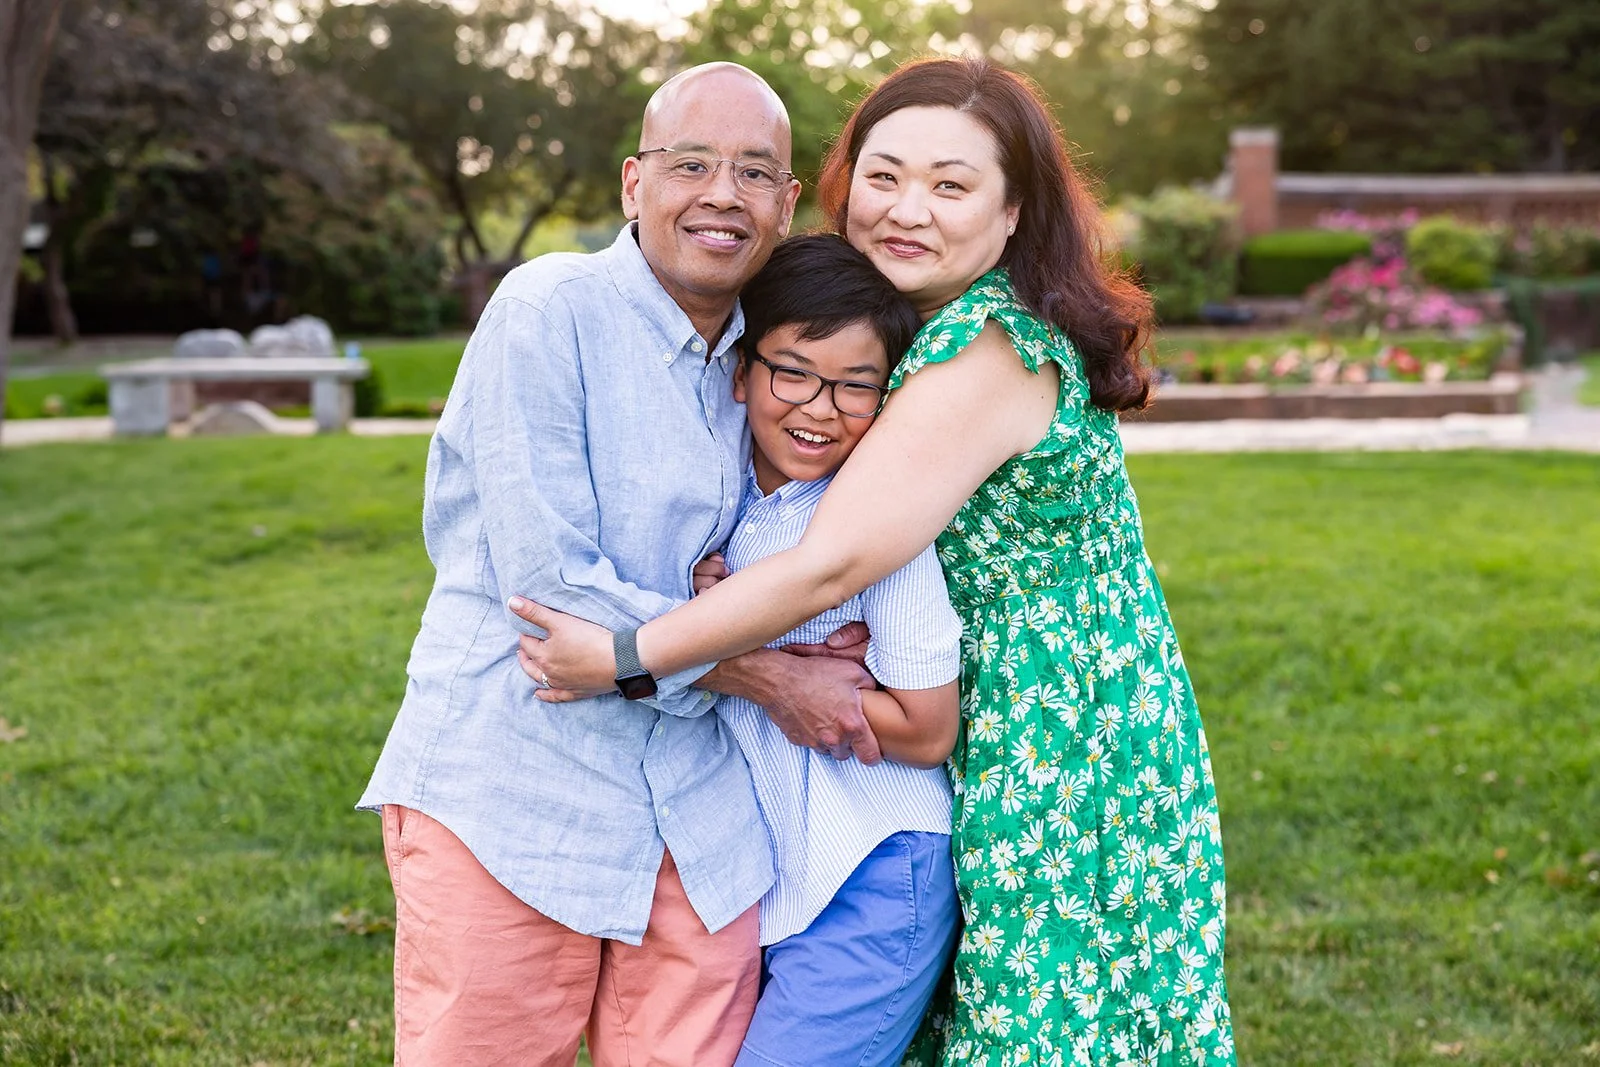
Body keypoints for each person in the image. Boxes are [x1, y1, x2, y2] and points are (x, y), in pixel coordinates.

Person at [513, 56, 1236, 1066]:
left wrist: (627, 654)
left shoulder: (990, 346)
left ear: (1014, 212)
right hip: (997, 713)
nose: (907, 209)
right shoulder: (913, 330)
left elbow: (829, 563)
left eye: (951, 185)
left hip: (1062, 734)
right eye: (883, 176)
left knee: (1055, 1026)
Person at [357, 63, 881, 1067]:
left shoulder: (768, 358)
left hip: (696, 812)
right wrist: (769, 674)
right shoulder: (548, 308)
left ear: (785, 205)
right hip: (516, 788)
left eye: (754, 172)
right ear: (636, 183)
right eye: (692, 164)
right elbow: (551, 589)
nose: (722, 193)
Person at [712, 234, 962, 1067]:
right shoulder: (715, 497)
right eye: (793, 372)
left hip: (873, 868)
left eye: (857, 385)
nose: (820, 409)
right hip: (769, 875)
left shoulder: (873, 525)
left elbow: (928, 727)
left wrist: (758, 663)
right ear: (742, 370)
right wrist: (762, 661)